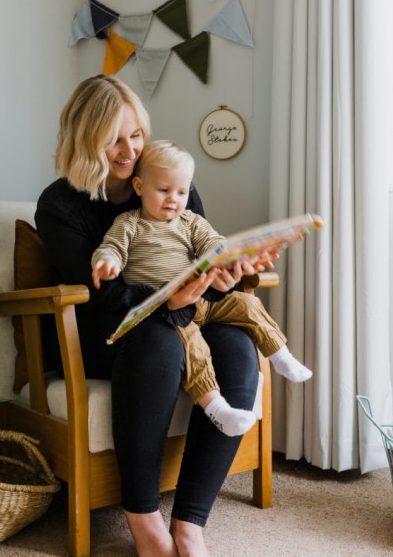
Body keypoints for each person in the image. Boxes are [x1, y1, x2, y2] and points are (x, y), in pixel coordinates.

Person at [36, 75, 265, 557]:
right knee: (159, 339)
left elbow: (202, 251)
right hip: (105, 332)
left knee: (237, 346)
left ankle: (190, 522)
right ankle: (142, 519)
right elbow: (99, 295)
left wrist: (226, 273)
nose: (129, 149)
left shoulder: (169, 178)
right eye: (114, 138)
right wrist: (170, 298)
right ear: (85, 138)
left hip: (184, 317)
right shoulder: (59, 204)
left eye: (135, 134)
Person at [91, 140, 312, 438]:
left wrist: (232, 255)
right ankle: (216, 408)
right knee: (193, 343)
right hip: (171, 312)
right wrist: (107, 262)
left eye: (182, 192)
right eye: (164, 190)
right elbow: (111, 249)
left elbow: (213, 244)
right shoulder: (128, 224)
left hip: (204, 300)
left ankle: (279, 353)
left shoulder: (190, 221)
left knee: (247, 305)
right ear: (140, 186)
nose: (174, 199)